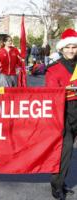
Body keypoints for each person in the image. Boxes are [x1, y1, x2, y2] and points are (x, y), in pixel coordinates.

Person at [45, 28, 77, 200]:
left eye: (74, 47)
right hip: (63, 112)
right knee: (65, 151)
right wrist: (69, 89)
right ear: (62, 49)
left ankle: (61, 181)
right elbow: (50, 92)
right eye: (68, 47)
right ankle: (57, 185)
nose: (71, 50)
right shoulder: (54, 69)